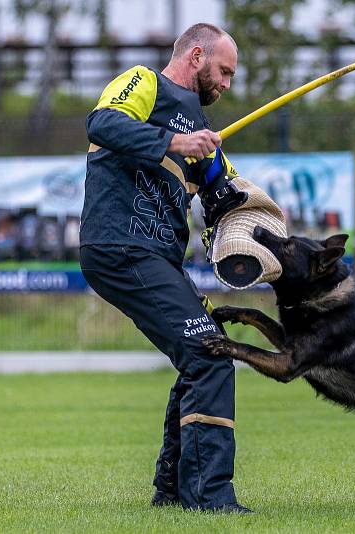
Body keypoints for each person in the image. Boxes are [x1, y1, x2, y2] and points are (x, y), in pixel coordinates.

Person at [79, 23, 251, 513]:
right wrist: (176, 145)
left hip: (156, 258)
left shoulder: (204, 135)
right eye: (223, 71)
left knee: (202, 353)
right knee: (210, 355)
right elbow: (101, 124)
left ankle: (173, 491)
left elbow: (230, 196)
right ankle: (209, 499)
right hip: (119, 245)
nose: (226, 84)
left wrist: (237, 205)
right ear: (195, 56)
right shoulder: (145, 83)